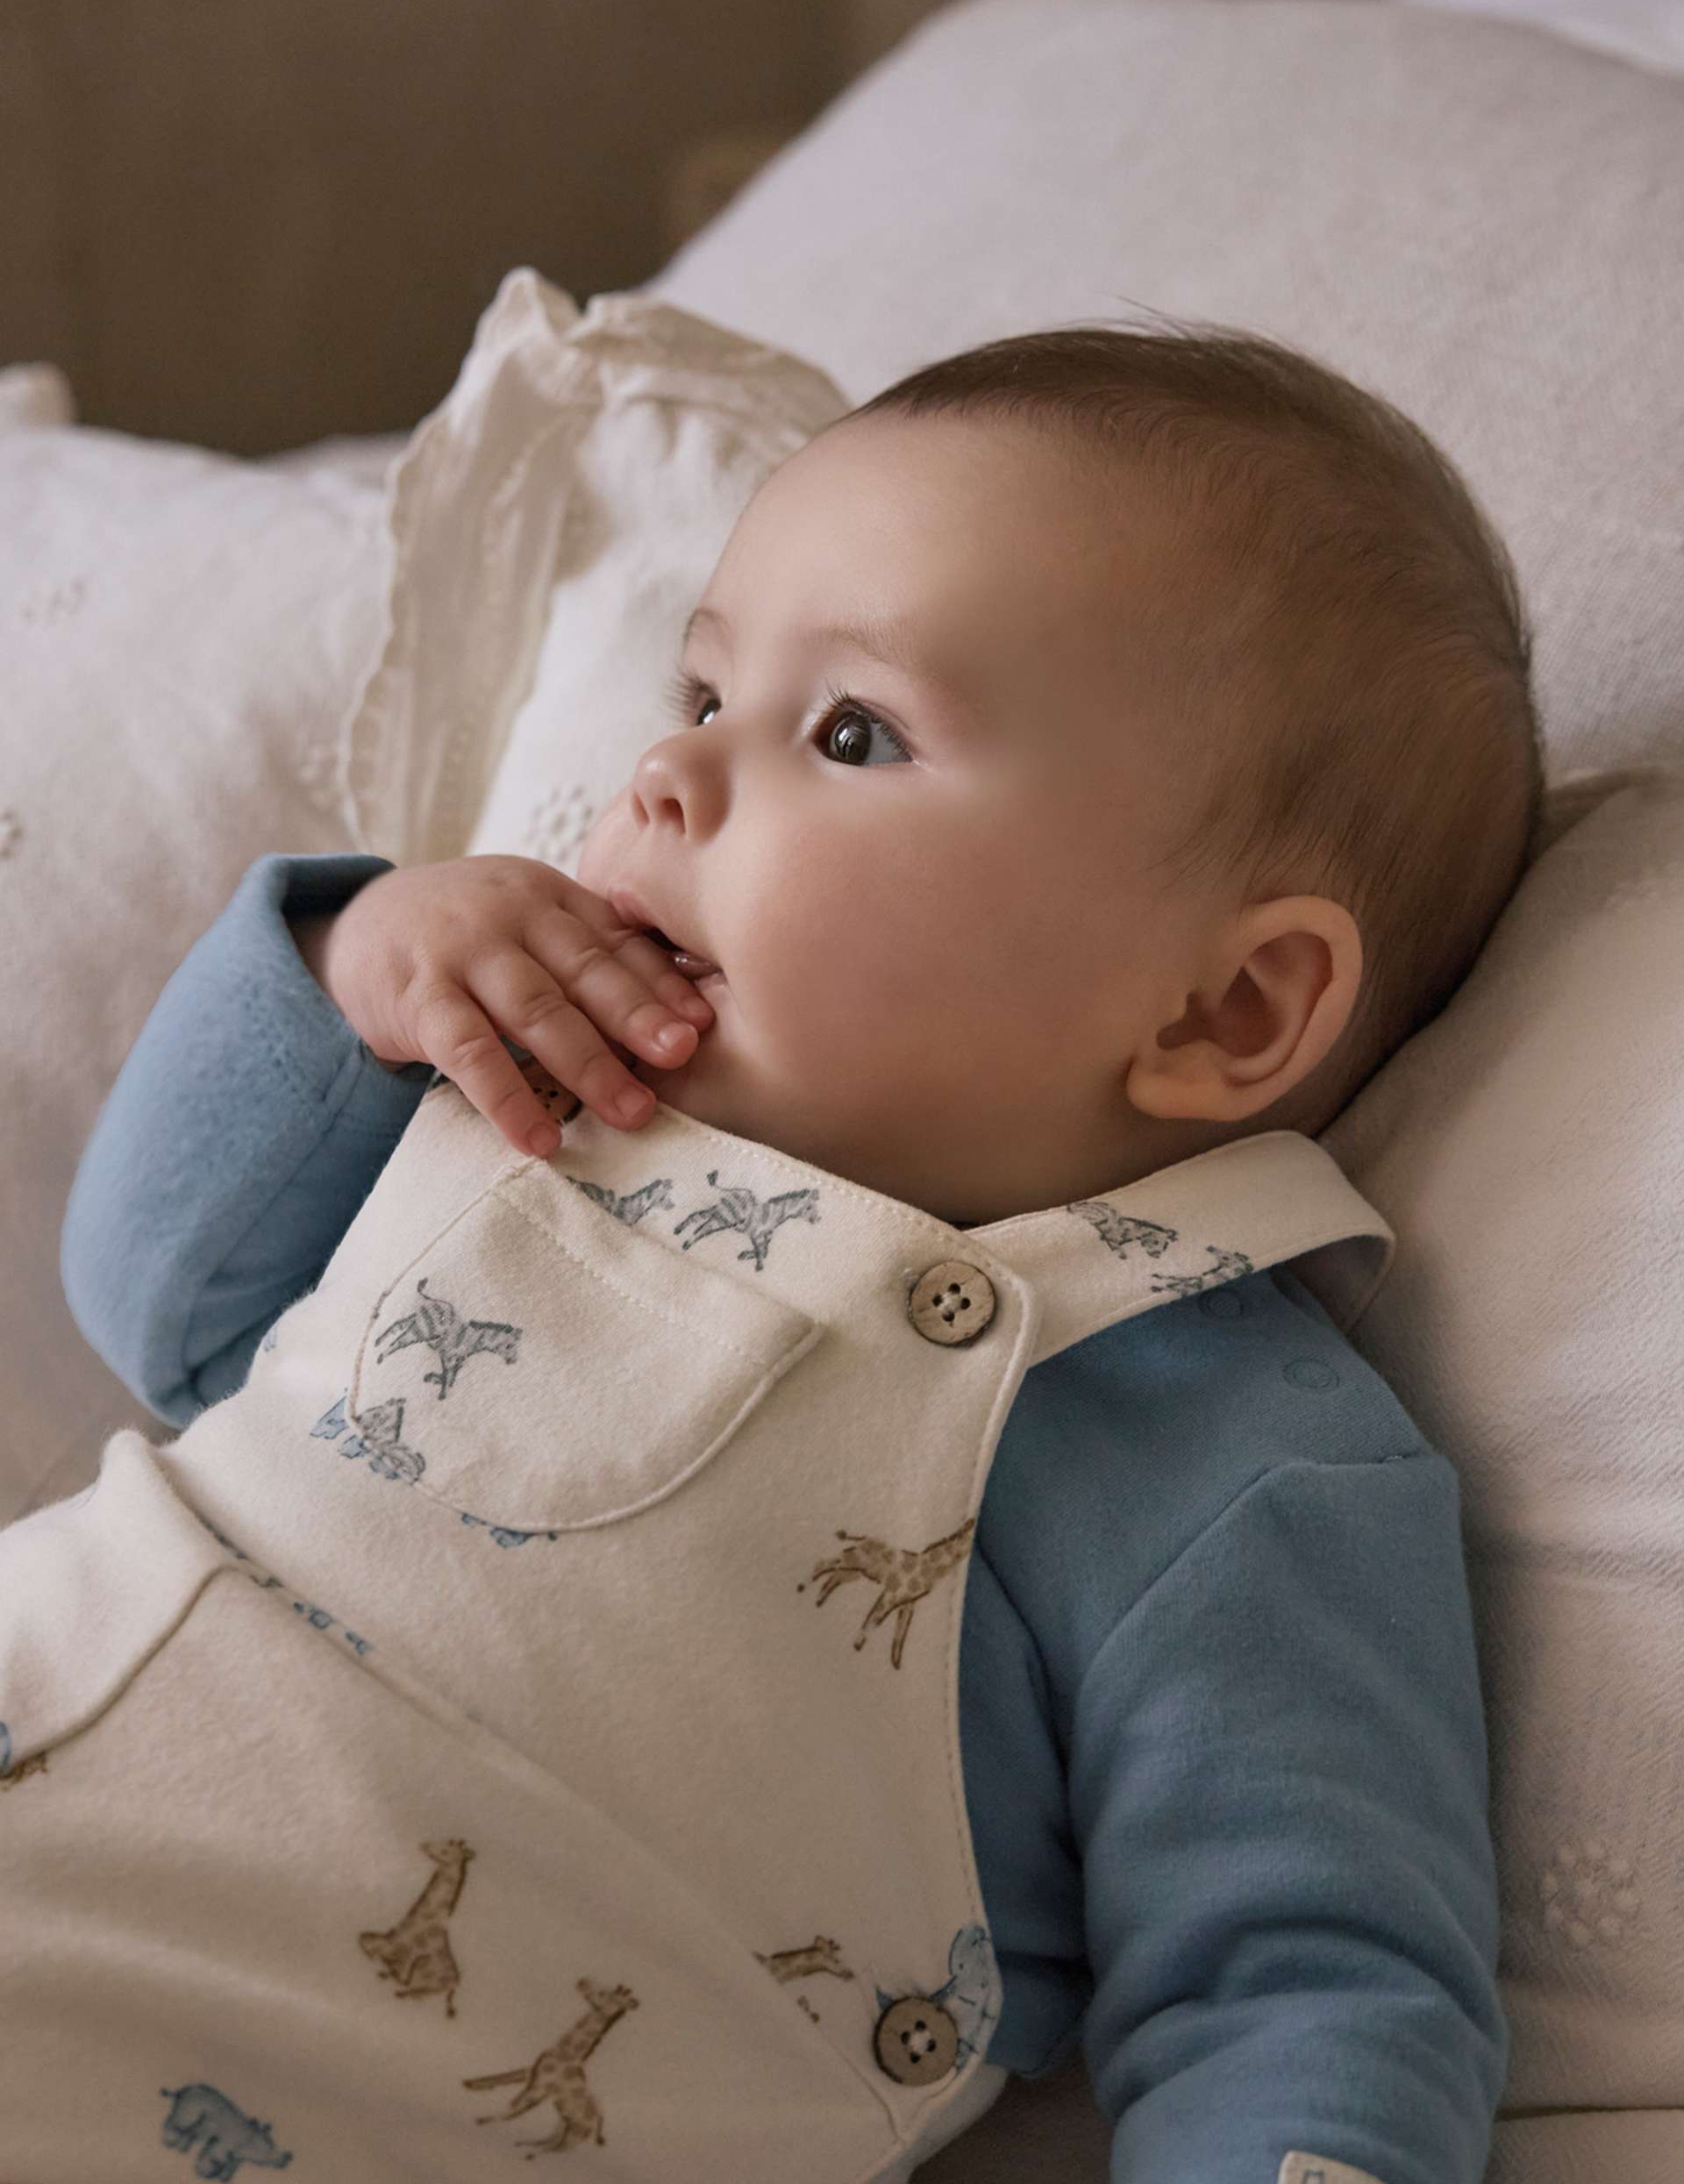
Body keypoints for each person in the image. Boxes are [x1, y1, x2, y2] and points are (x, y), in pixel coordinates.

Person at [8, 322, 1535, 2182]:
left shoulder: (1222, 1454)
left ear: (1226, 1009)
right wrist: (357, 973)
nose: (667, 772)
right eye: (704, 689)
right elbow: (159, 1299)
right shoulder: (531, 1106)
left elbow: (1309, 1987)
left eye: (851, 732)